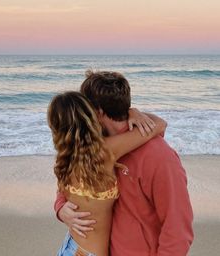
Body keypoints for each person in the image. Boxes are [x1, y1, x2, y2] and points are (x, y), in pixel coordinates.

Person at [54, 71, 194, 256]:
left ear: (97, 112)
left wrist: (136, 113)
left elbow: (177, 228)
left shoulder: (160, 158)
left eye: (86, 107)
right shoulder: (94, 147)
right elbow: (68, 183)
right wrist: (61, 208)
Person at [48, 91, 167, 256]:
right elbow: (159, 124)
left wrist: (60, 208)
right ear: (90, 116)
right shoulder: (105, 151)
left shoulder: (64, 157)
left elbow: (62, 192)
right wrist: (133, 112)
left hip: (70, 247)